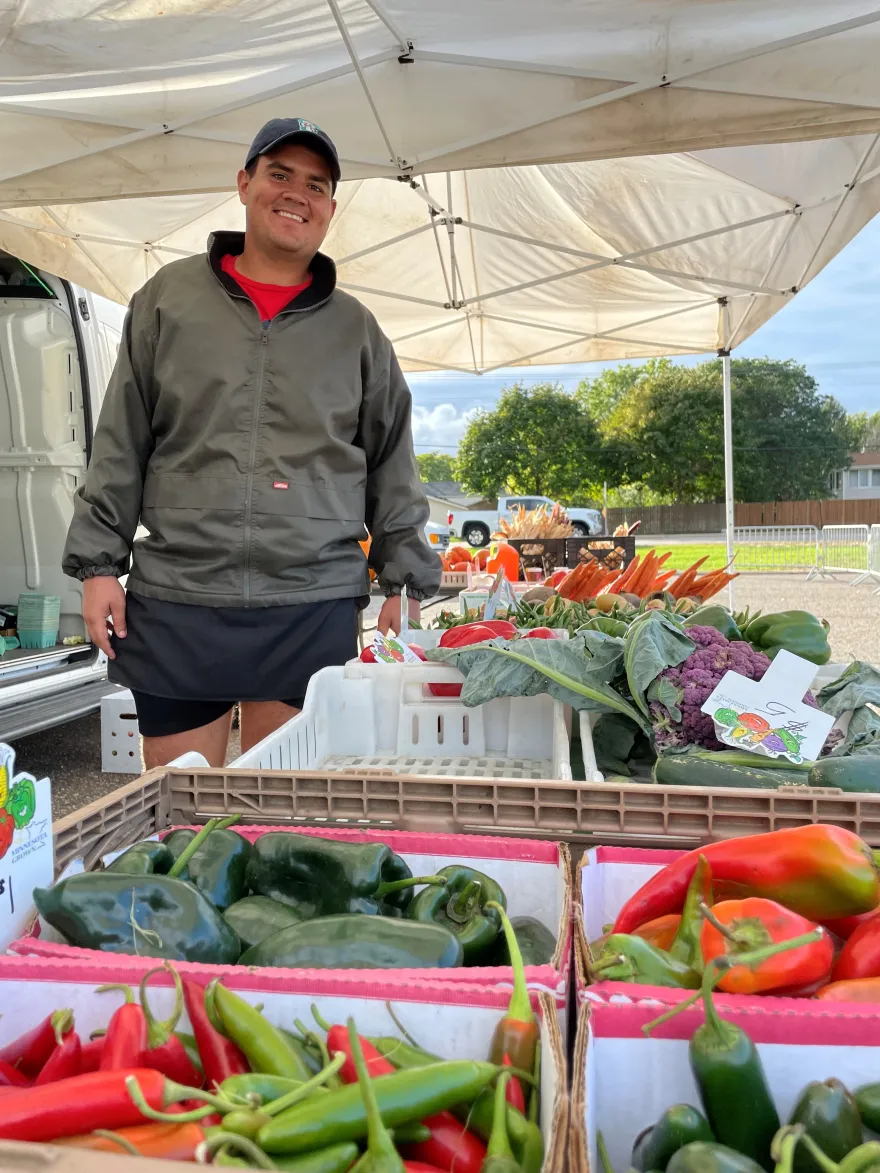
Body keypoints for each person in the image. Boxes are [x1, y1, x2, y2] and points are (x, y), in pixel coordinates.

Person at [62, 117, 441, 769]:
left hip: (310, 600)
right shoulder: (166, 302)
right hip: (181, 592)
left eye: (316, 185)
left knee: (282, 817)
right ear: (244, 184)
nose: (297, 193)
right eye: (280, 174)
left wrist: (404, 582)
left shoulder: (358, 332)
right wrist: (99, 565)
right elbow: (120, 439)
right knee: (181, 814)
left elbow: (392, 467)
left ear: (329, 209)